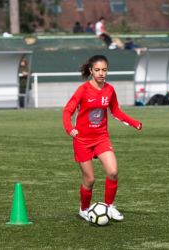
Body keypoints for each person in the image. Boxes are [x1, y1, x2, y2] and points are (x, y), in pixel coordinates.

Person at [62, 55, 142, 221]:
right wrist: (70, 128)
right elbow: (67, 111)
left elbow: (116, 111)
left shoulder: (110, 90)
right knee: (90, 180)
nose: (101, 73)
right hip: (82, 140)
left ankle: (109, 207)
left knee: (113, 172)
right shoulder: (83, 90)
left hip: (101, 138)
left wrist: (134, 123)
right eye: (97, 70)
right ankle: (84, 209)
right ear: (91, 70)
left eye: (104, 70)